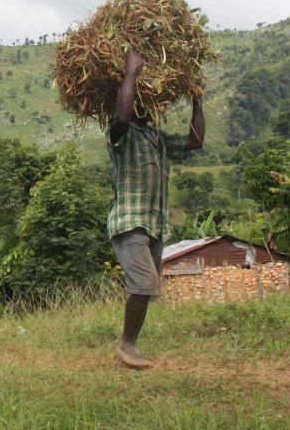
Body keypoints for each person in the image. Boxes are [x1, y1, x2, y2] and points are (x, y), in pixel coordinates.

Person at [107, 51, 205, 369]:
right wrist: (132, 71)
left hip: (155, 225)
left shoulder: (158, 139)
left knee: (147, 289)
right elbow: (122, 117)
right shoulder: (121, 134)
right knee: (145, 284)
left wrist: (197, 100)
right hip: (130, 222)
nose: (153, 105)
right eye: (144, 99)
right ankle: (127, 344)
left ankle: (128, 346)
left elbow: (195, 142)